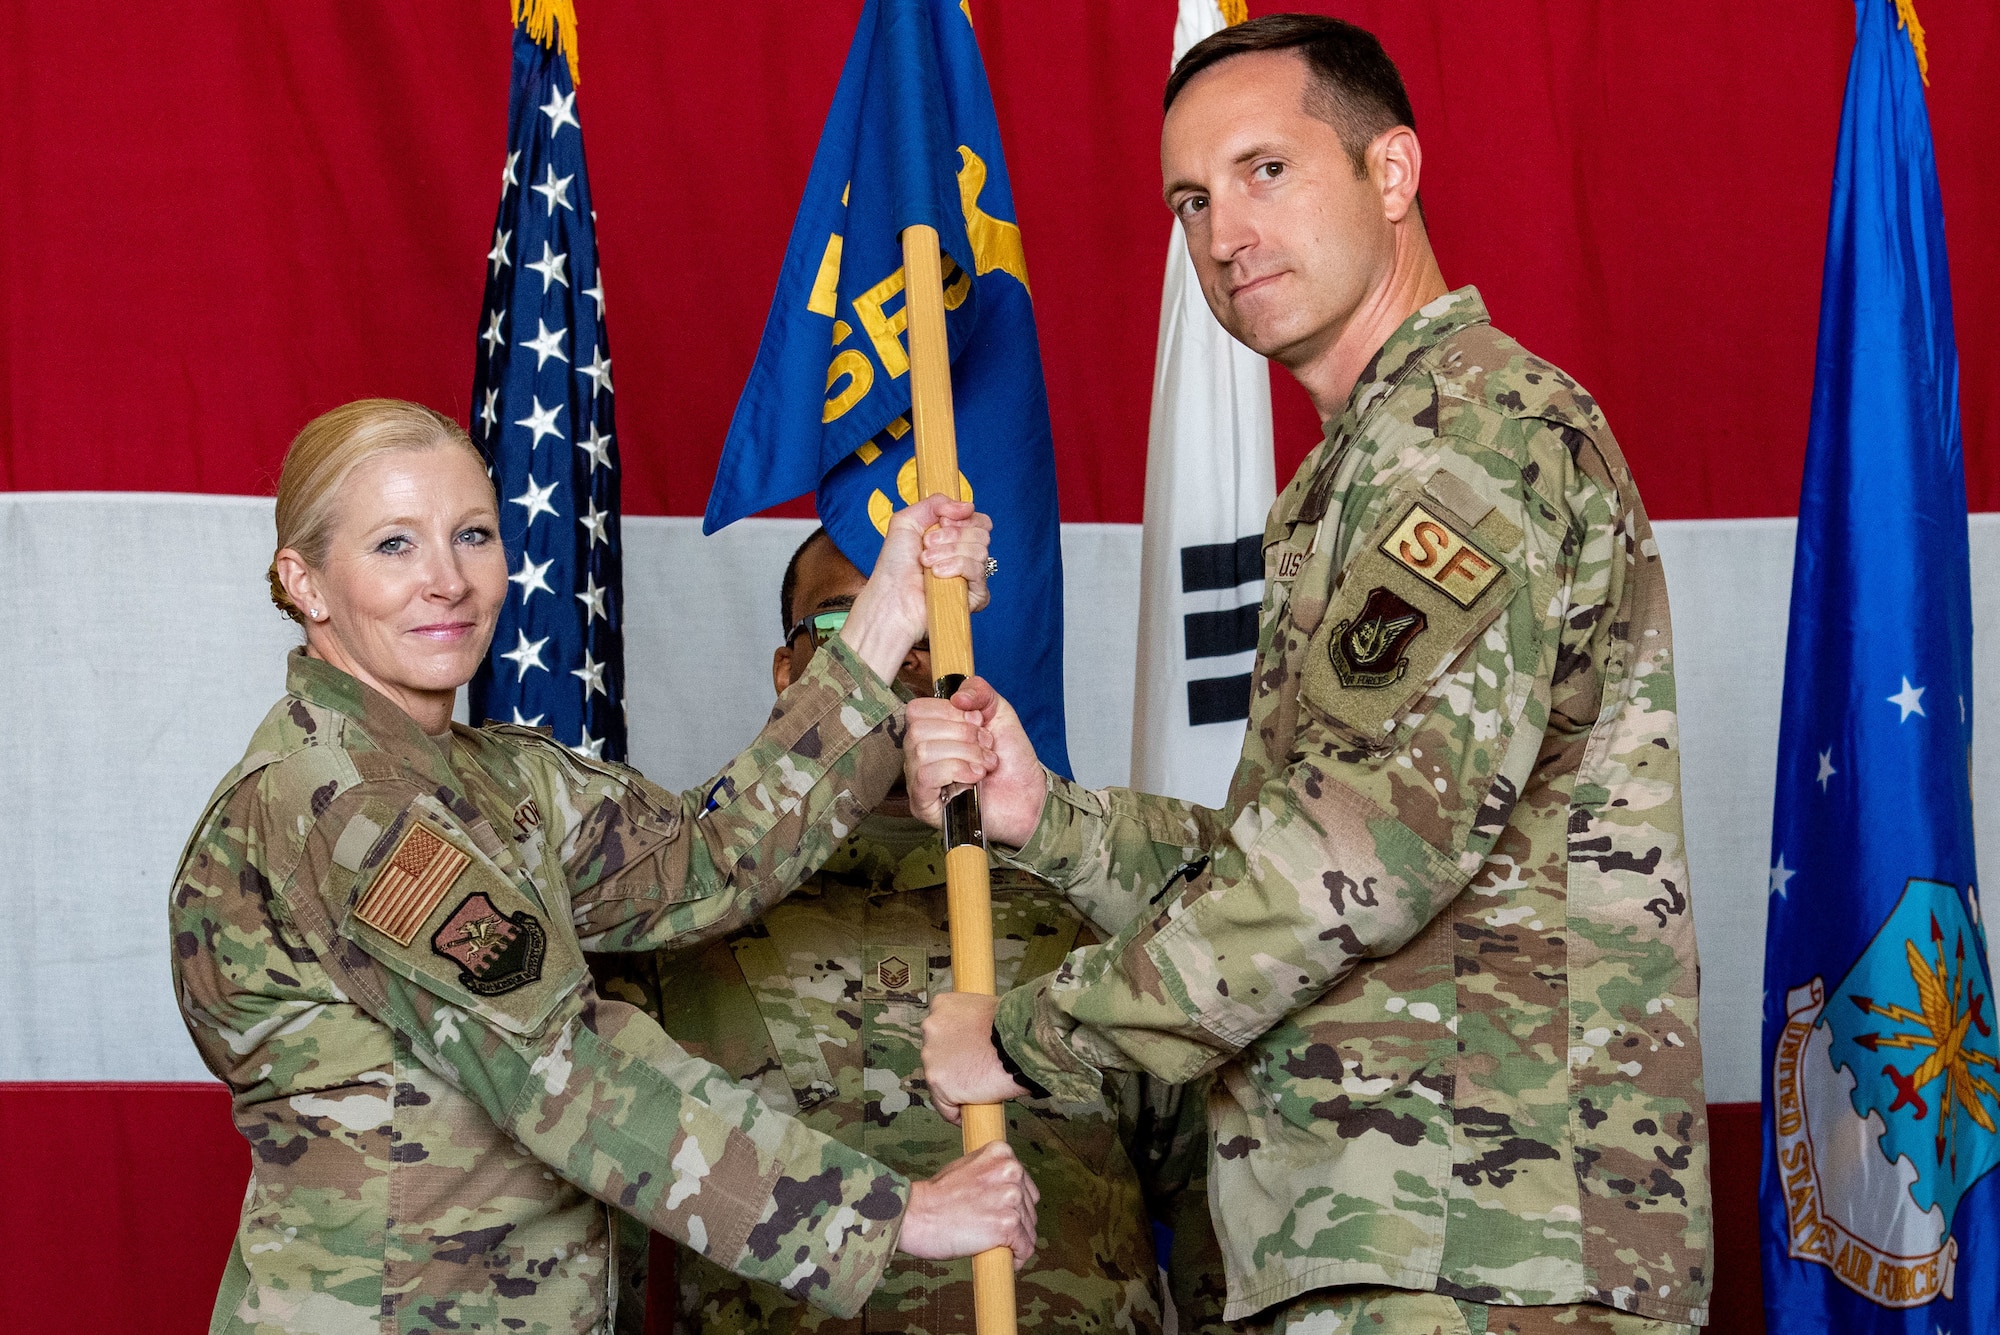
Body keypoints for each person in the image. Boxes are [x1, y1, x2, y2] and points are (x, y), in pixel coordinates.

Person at [904, 16, 1710, 1335]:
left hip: (1478, 1251)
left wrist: (1032, 1034)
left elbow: (1357, 852)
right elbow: (1294, 848)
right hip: (1394, 1235)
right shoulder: (1368, 463)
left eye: (1266, 170)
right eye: (1191, 198)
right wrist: (1050, 818)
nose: (1223, 233)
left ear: (1391, 174)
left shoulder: (1471, 437)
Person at [169, 399, 1036, 1335]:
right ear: (307, 582)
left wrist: (886, 614)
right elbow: (563, 1066)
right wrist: (892, 1214)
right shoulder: (331, 799)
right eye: (394, 545)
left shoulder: (494, 778)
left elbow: (708, 861)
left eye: (471, 535)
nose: (448, 581)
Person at [592, 527, 1230, 1334]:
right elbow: (598, 1195)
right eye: (841, 626)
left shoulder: (1088, 900)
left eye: (930, 632)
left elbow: (1220, 1206)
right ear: (787, 672)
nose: (900, 658)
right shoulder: (678, 911)